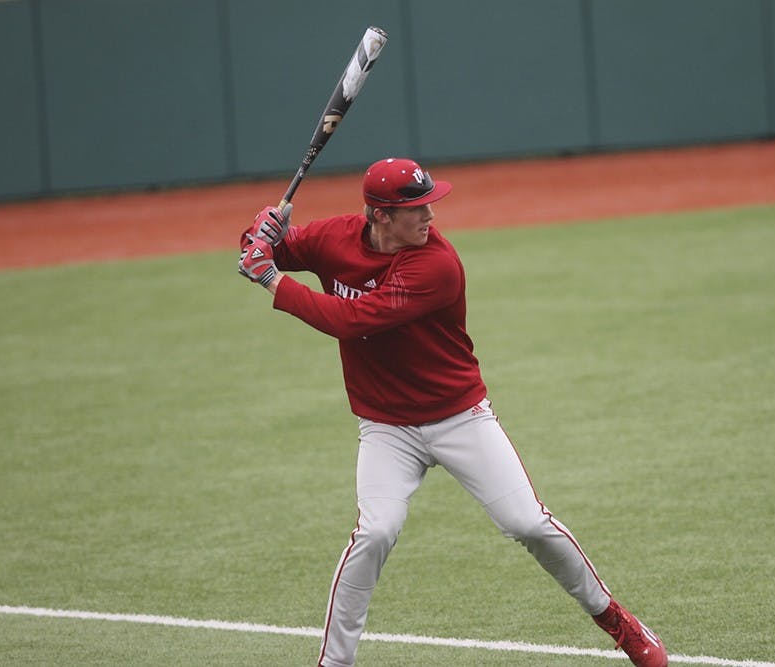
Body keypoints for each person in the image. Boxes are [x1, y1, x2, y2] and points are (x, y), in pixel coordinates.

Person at [238, 158, 668, 667]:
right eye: (416, 208)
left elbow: (351, 321)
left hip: (459, 416)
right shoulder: (334, 238)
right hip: (386, 427)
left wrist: (271, 280)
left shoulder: (436, 264)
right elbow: (263, 250)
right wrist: (258, 232)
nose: (430, 217)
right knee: (374, 532)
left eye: (428, 205)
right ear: (380, 216)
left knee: (527, 523)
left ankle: (616, 620)